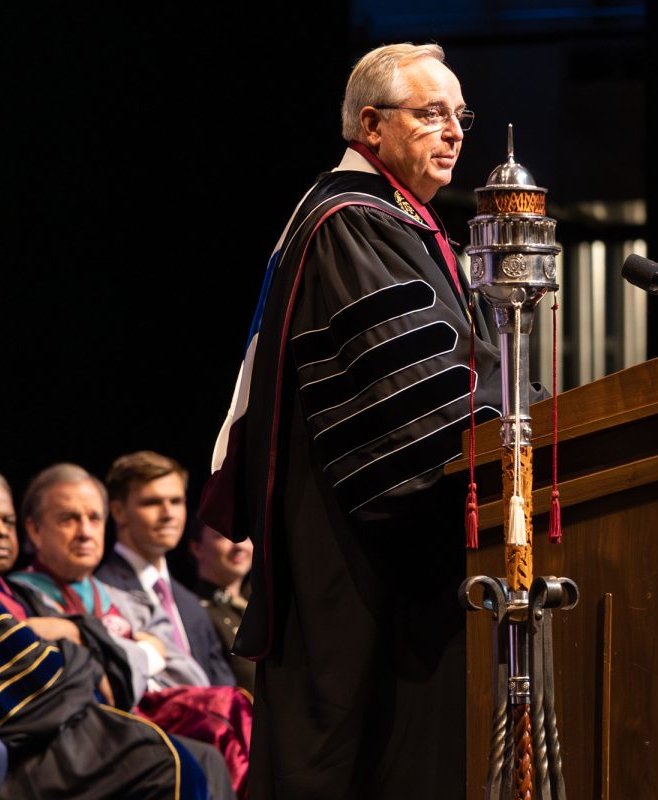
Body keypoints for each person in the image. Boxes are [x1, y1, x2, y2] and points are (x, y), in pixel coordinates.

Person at [199, 42, 535, 798]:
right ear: (372, 126)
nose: (454, 131)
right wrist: (513, 422)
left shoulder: (400, 223)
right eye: (431, 114)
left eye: (460, 115)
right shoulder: (351, 222)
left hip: (387, 565)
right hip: (359, 561)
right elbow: (413, 400)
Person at [10, 464, 250, 797]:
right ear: (34, 530)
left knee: (226, 723)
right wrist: (146, 653)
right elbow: (87, 676)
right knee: (194, 755)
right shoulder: (21, 597)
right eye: (68, 519)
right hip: (81, 738)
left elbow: (186, 673)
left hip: (140, 724)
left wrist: (110, 649)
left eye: (94, 519)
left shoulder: (120, 598)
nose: (84, 531)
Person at [97, 451, 235, 686]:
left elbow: (224, 689)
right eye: (152, 502)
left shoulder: (192, 605)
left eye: (176, 501)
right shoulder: (101, 591)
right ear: (118, 511)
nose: (169, 513)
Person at [191, 523, 255, 692]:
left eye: (246, 536)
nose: (239, 545)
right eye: (224, 536)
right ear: (196, 548)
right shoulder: (196, 612)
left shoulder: (260, 606)